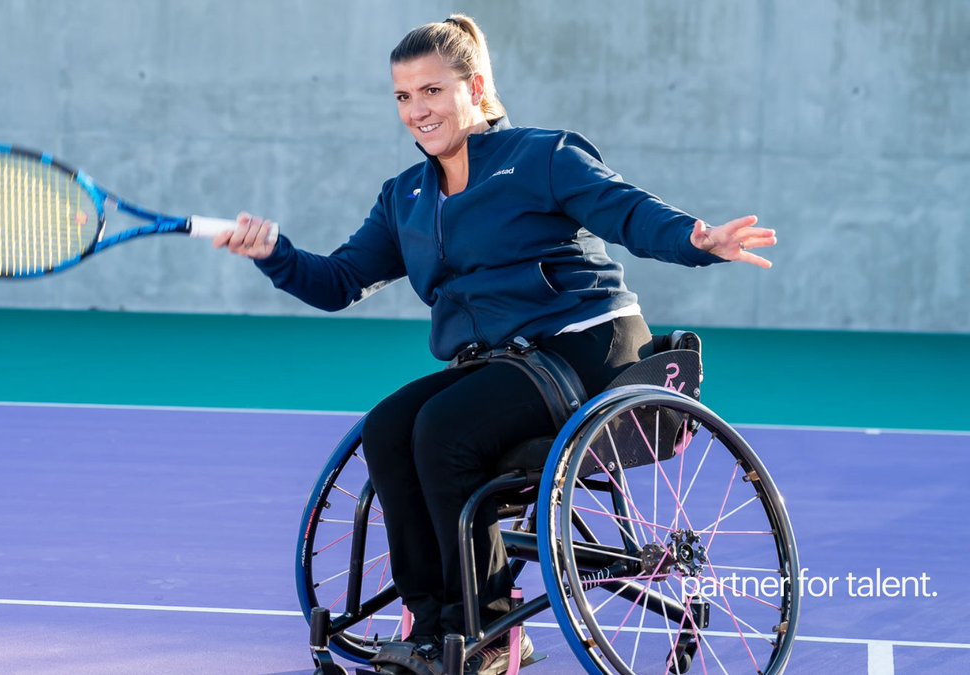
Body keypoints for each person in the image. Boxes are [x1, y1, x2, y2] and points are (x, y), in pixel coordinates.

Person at [214, 14, 776, 675]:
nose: (416, 110)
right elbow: (339, 281)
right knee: (390, 425)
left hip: (585, 347)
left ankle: (484, 630)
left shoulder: (541, 157)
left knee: (444, 430)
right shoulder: (406, 197)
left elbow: (626, 211)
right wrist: (275, 254)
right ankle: (432, 626)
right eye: (402, 97)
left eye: (431, 91)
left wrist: (695, 239)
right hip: (504, 365)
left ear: (473, 87)